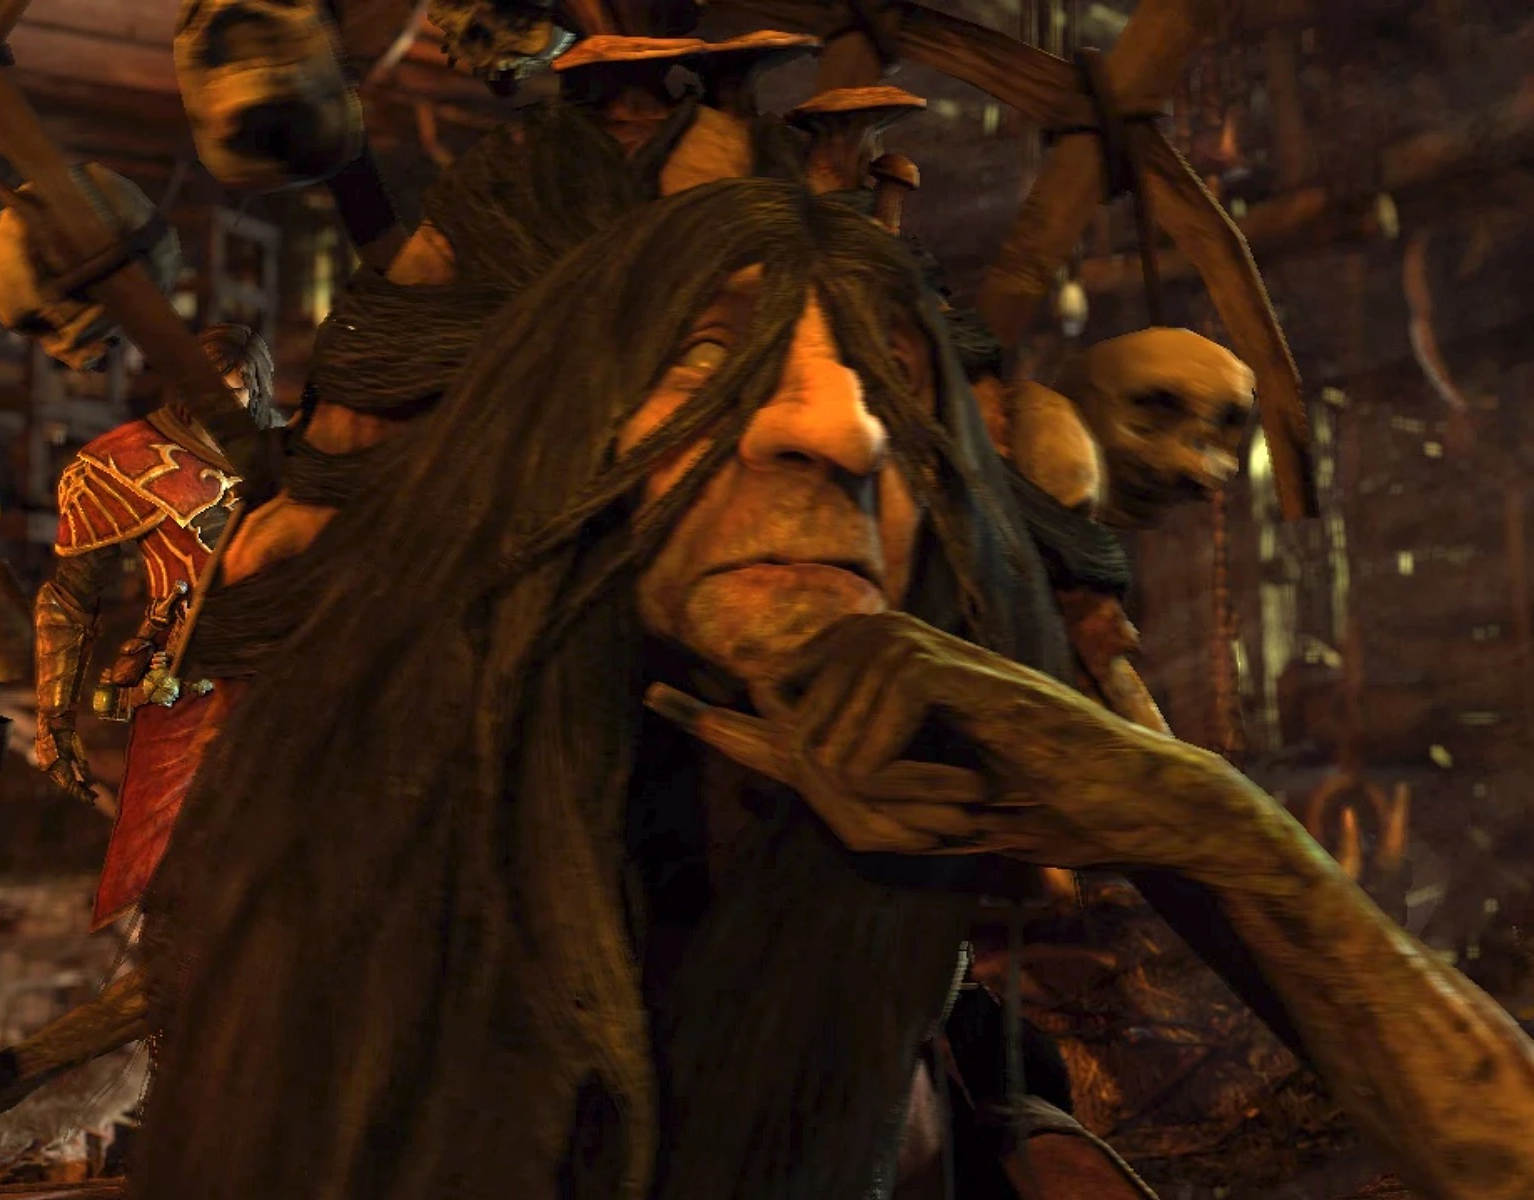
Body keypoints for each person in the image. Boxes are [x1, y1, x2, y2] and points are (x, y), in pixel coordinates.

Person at [135, 106, 1534, 1200]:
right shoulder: (389, 859)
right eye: (707, 359)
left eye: (887, 385)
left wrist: (1213, 822)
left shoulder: (959, 706)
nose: (843, 428)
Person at [33, 321, 281, 929]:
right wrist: (54, 719)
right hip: (185, 688)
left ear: (256, 389)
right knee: (167, 876)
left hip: (287, 683)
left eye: (236, 391)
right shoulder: (123, 463)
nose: (223, 405)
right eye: (210, 388)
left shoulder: (292, 454)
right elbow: (69, 600)